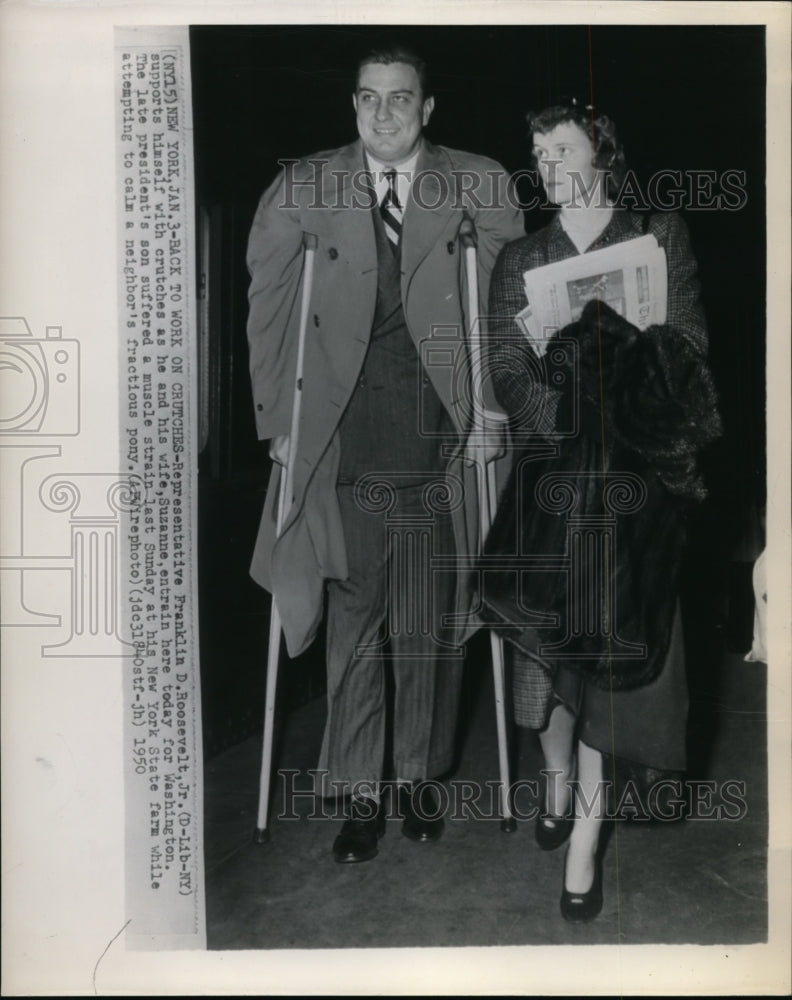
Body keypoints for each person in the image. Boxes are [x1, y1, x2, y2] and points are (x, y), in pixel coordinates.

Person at [246, 39, 524, 863]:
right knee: (359, 610)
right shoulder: (305, 186)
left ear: (427, 108)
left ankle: (420, 778)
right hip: (347, 423)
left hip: (442, 418)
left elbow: (507, 309)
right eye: (369, 98)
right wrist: (278, 423)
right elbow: (269, 307)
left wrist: (495, 407)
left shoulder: (478, 182)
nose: (384, 113)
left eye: (401, 98)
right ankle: (361, 793)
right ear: (353, 106)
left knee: (431, 612)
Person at [482, 99, 721, 920]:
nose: (549, 164)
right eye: (538, 150)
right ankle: (551, 778)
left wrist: (624, 381)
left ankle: (584, 843)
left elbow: (688, 343)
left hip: (630, 487)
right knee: (545, 665)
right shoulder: (520, 255)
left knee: (606, 668)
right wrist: (567, 418)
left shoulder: (657, 234)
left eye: (563, 147)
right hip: (552, 483)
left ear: (602, 155)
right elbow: (506, 373)